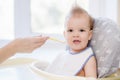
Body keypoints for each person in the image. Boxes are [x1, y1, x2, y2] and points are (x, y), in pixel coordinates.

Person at [45, 6, 97, 78]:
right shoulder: (62, 55)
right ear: (65, 35)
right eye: (70, 30)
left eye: (81, 30)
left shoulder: (88, 57)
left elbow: (92, 78)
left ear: (89, 35)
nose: (75, 35)